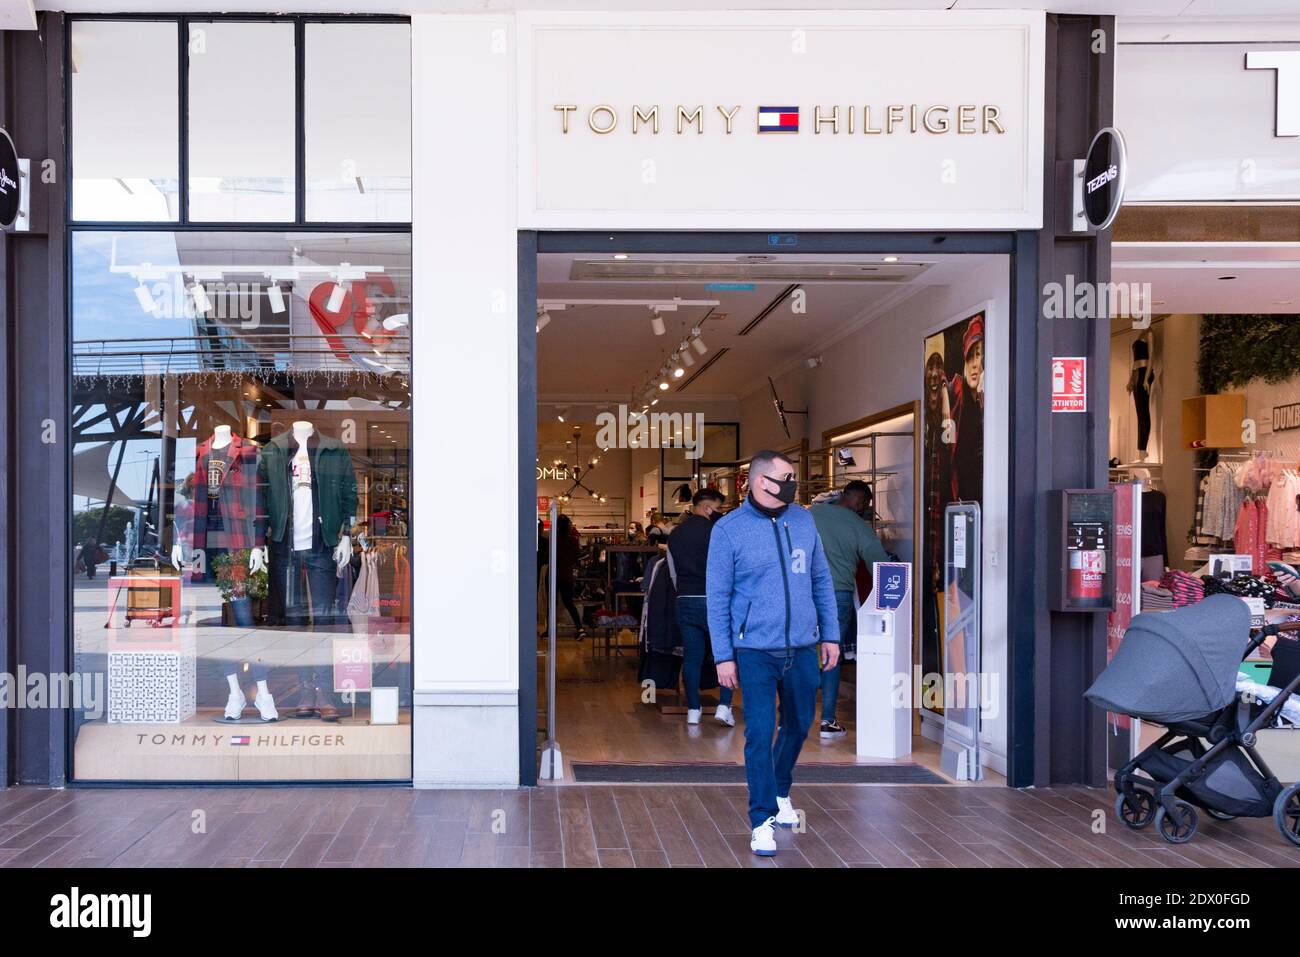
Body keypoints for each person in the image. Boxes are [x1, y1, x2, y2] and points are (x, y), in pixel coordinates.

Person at [707, 450, 839, 858]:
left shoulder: (803, 520)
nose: (793, 482)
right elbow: (718, 597)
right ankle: (761, 820)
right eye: (787, 476)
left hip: (801, 645)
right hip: (753, 649)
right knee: (759, 732)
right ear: (761, 481)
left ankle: (780, 788)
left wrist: (830, 634)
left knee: (800, 724)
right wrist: (723, 655)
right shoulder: (728, 530)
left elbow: (820, 578)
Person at [810, 481, 888, 738]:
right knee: (831, 655)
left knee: (799, 652)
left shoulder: (811, 513)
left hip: (803, 595)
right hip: (837, 595)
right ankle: (827, 721)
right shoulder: (858, 526)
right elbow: (880, 564)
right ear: (861, 502)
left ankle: (788, 716)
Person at [666, 489, 731, 727]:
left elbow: (672, 572)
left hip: (685, 599)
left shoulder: (674, 534)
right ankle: (724, 706)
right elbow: (727, 568)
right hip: (714, 601)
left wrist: (682, 591)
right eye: (718, 508)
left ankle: (693, 709)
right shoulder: (718, 531)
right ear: (707, 507)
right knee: (724, 656)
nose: (720, 513)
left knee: (692, 658)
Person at [554, 514, 587, 640]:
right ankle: (580, 628)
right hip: (567, 575)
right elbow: (576, 558)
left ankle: (549, 629)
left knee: (551, 603)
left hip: (554, 574)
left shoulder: (554, 539)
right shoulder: (573, 540)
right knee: (569, 603)